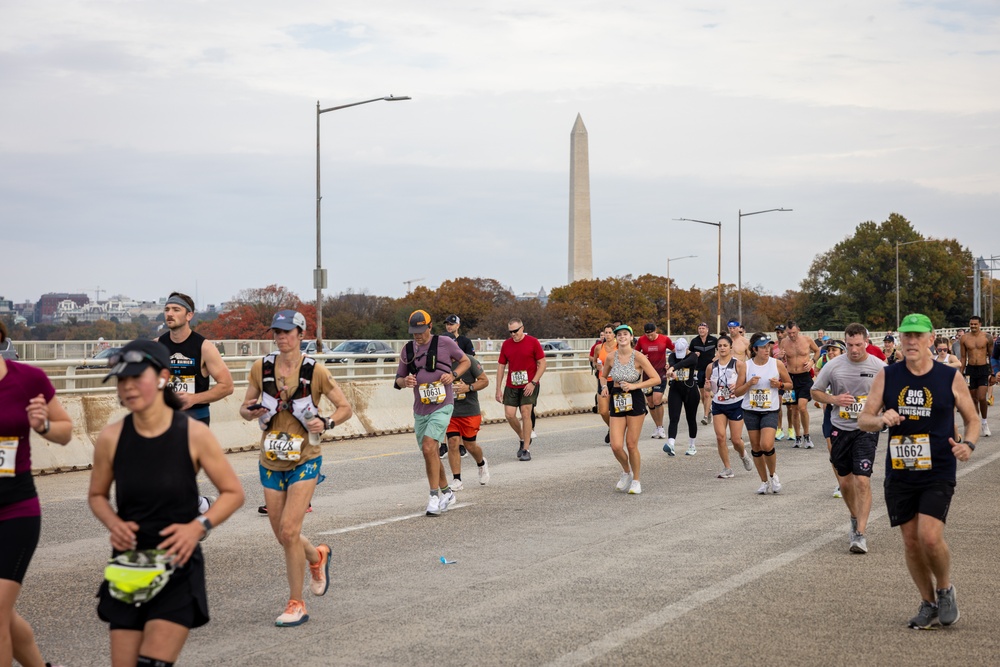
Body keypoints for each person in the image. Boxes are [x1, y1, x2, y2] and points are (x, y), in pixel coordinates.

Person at [89, 340, 244, 663]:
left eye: (136, 378)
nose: (127, 388)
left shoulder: (192, 434)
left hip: (177, 563)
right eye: (121, 380)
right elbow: (97, 496)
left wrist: (198, 526)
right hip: (129, 563)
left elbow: (233, 493)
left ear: (162, 377)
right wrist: (114, 523)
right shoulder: (112, 437)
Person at [858, 313, 979, 629]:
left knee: (929, 536)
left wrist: (968, 443)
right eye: (905, 336)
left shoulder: (948, 377)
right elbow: (864, 419)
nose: (910, 341)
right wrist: (881, 420)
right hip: (900, 470)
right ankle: (928, 603)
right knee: (911, 542)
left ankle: (945, 588)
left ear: (930, 339)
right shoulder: (887, 375)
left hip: (938, 466)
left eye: (917, 336)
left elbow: (973, 418)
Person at [242, 310, 353, 626]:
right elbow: (243, 406)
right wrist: (250, 412)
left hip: (305, 458)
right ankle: (318, 556)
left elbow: (345, 407)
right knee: (283, 535)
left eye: (287, 331)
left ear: (300, 334)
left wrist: (327, 421)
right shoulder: (260, 368)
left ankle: (296, 604)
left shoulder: (314, 371)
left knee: (290, 531)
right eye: (276, 331)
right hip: (270, 460)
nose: (281, 336)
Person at [1, 338, 73, 667]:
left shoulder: (29, 379)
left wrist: (42, 424)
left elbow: (65, 431)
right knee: (4, 613)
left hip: (15, 509)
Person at [811, 324, 886, 554]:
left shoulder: (880, 367)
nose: (854, 350)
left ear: (867, 342)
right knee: (845, 483)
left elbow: (891, 393)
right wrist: (834, 399)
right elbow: (815, 391)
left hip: (866, 428)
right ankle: (854, 517)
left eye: (858, 345)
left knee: (862, 480)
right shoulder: (833, 366)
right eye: (850, 345)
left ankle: (860, 534)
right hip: (840, 428)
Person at [158, 291, 234, 514]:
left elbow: (226, 386)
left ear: (189, 315)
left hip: (195, 420)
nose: (169, 314)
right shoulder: (158, 345)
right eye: (167, 309)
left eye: (176, 310)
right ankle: (201, 506)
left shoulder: (204, 347)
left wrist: (193, 399)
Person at [393, 309, 469, 518]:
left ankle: (433, 497)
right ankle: (447, 493)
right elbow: (398, 380)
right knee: (431, 452)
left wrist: (452, 375)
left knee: (429, 447)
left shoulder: (444, 343)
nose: (417, 335)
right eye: (413, 331)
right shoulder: (407, 350)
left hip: (443, 404)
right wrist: (405, 382)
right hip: (421, 408)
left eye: (420, 330)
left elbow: (465, 362)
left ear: (429, 326)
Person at [599, 325, 659, 494]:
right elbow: (603, 376)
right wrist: (604, 387)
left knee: (631, 444)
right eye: (619, 334)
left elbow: (655, 379)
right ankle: (627, 471)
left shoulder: (638, 357)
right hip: (617, 398)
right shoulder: (611, 357)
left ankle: (637, 480)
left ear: (632, 338)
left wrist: (635, 386)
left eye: (625, 334)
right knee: (616, 445)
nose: (622, 336)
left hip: (635, 398)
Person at [738, 334, 791, 492]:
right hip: (751, 410)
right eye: (762, 347)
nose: (767, 350)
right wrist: (749, 384)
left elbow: (790, 384)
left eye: (768, 346)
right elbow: (737, 392)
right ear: (755, 349)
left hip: (770, 410)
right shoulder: (746, 366)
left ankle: (773, 475)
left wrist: (779, 384)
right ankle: (764, 481)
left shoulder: (777, 364)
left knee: (766, 444)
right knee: (755, 446)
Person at [495, 319, 546, 461]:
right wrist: (498, 388)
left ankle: (526, 449)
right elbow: (501, 366)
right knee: (509, 415)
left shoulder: (533, 342)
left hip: (529, 384)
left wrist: (533, 382)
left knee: (525, 413)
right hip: (512, 385)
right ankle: (523, 437)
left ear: (522, 328)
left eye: (515, 331)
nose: (513, 334)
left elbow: (542, 364)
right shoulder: (506, 344)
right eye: (510, 332)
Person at [444, 352, 490, 490]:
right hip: (449, 410)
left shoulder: (468, 360)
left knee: (470, 446)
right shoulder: (440, 362)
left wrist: (468, 387)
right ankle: (457, 479)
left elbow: (484, 380)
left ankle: (481, 463)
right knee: (453, 443)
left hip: (469, 411)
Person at [778, 320, 821, 448]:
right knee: (794, 410)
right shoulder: (784, 342)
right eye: (789, 333)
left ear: (799, 330)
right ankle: (797, 437)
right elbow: (782, 359)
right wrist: (781, 356)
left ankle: (806, 436)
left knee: (802, 407)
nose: (792, 335)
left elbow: (817, 351)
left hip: (804, 377)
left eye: (794, 333)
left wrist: (812, 361)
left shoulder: (807, 340)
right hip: (791, 378)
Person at [704, 335, 746, 463]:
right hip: (718, 404)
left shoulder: (738, 365)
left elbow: (748, 384)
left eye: (725, 345)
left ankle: (743, 455)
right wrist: (707, 387)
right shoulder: (711, 367)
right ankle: (727, 468)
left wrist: (739, 385)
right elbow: (708, 388)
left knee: (736, 440)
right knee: (720, 437)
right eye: (720, 346)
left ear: (731, 348)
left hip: (736, 403)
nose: (722, 348)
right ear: (717, 348)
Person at [634, 322, 673, 439]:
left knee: (657, 400)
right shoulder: (641, 340)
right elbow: (634, 354)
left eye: (651, 334)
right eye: (647, 335)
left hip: (660, 374)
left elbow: (674, 352)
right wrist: (641, 357)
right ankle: (657, 427)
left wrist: (670, 364)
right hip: (647, 376)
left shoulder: (664, 339)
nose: (649, 337)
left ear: (656, 331)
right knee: (650, 402)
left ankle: (661, 427)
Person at [663, 339, 700, 456]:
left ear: (687, 348)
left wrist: (672, 368)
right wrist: (671, 369)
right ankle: (671, 444)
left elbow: (684, 363)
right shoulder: (673, 356)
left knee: (691, 418)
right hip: (676, 389)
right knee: (674, 417)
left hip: (691, 390)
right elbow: (673, 362)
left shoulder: (693, 356)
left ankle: (692, 445)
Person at [960, 315, 994, 437]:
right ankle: (977, 423)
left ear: (980, 324)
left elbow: (992, 356)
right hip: (970, 370)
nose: (973, 326)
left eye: (975, 324)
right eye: (971, 324)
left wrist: (993, 373)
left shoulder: (987, 337)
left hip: (983, 369)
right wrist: (960, 373)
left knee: (981, 397)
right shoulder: (964, 338)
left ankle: (985, 422)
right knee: (973, 399)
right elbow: (963, 357)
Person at [592, 325, 617, 443]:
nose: (607, 335)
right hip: (603, 380)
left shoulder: (619, 346)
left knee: (615, 410)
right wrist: (596, 366)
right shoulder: (599, 347)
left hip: (616, 381)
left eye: (610, 332)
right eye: (605, 332)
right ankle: (613, 428)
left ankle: (615, 431)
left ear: (614, 334)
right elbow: (594, 361)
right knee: (603, 411)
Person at [690, 322, 718, 426]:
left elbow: (722, 349)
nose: (701, 330)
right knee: (703, 395)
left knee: (707, 394)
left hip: (712, 369)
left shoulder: (713, 340)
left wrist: (717, 356)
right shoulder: (694, 341)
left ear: (707, 330)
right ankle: (708, 411)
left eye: (703, 328)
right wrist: (694, 354)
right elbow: (688, 353)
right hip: (700, 370)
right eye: (700, 328)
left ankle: (706, 416)